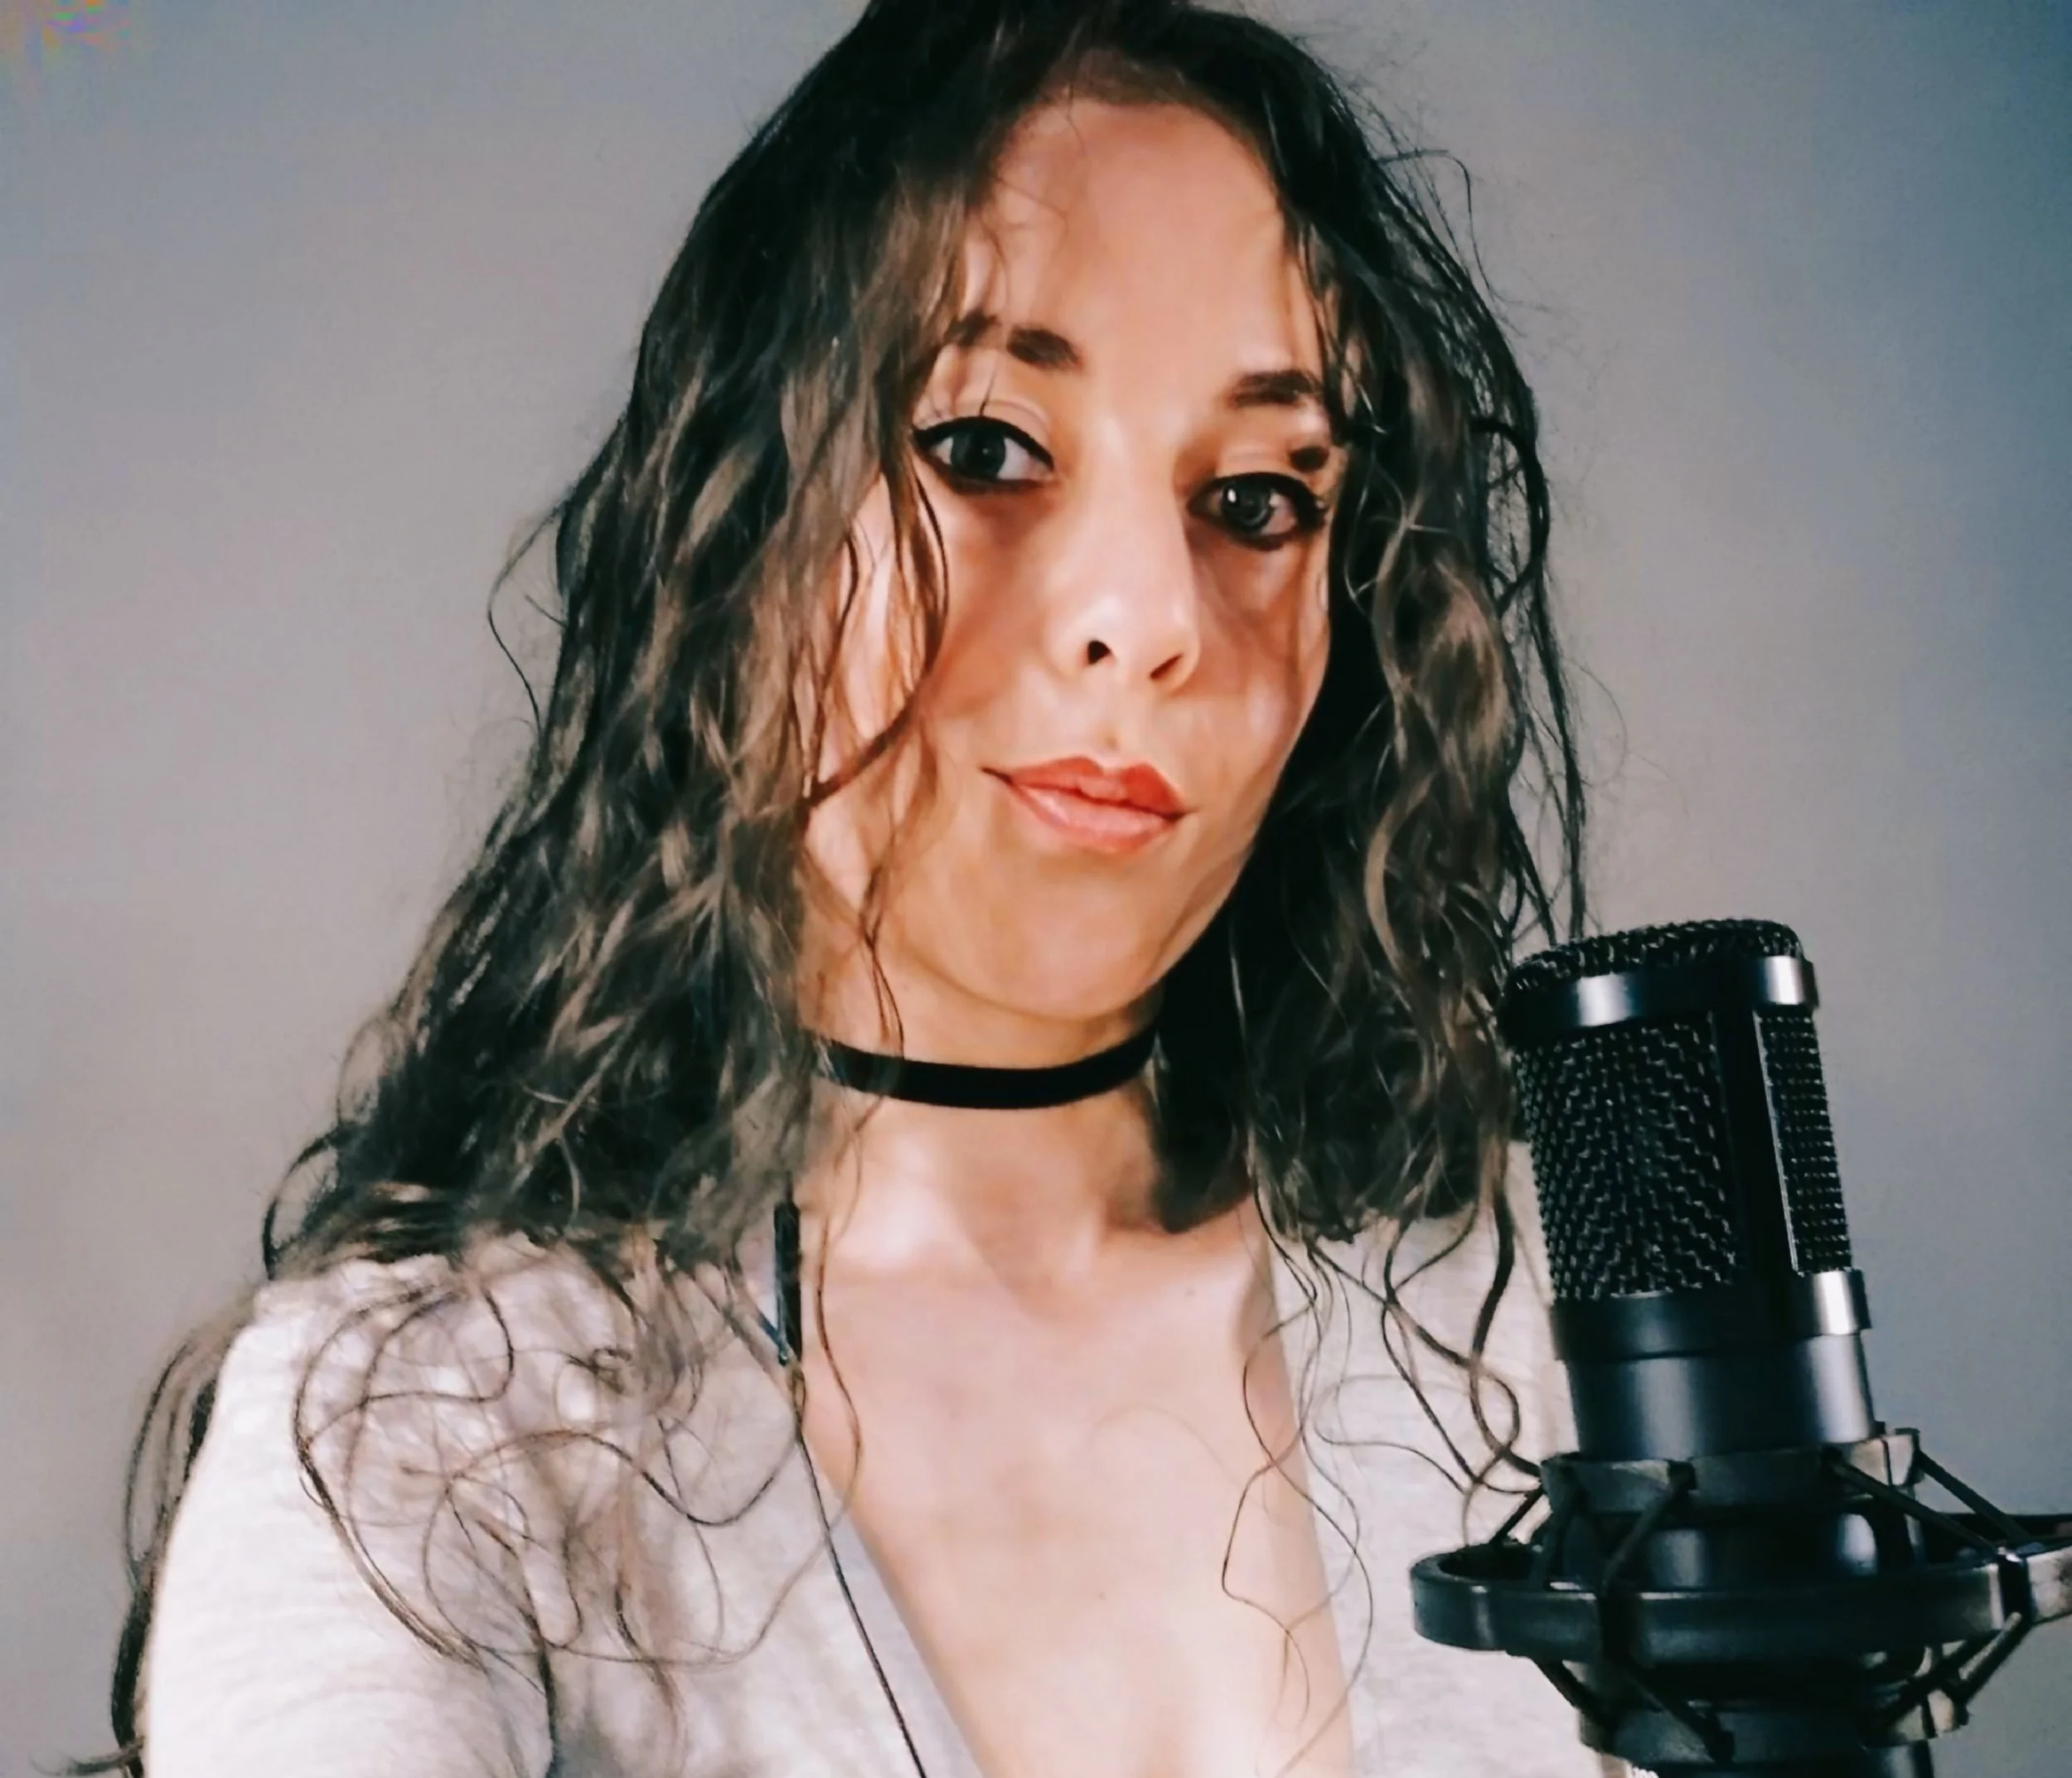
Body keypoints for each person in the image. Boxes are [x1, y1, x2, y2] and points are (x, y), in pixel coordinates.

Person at [95, 2, 1601, 1774]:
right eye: (986, 449)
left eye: (1258, 500)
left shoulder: (1529, 1339)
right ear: (741, 523)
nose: (1150, 619)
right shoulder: (423, 1439)